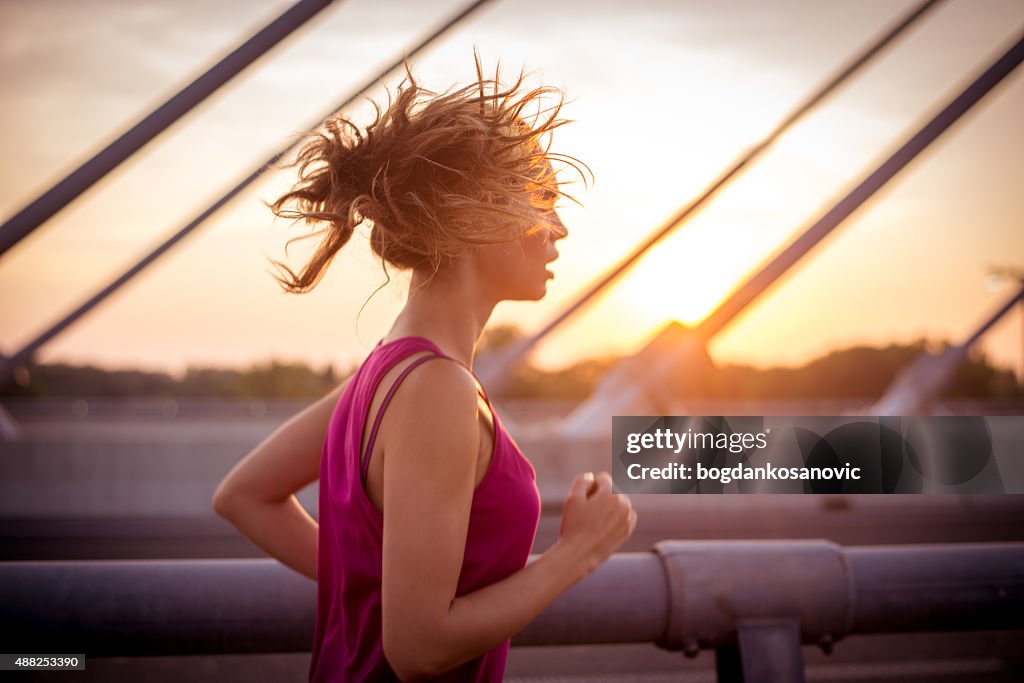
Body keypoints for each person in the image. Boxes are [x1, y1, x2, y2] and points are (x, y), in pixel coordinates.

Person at [212, 55, 637, 682]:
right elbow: (419, 649)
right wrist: (578, 552)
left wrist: (376, 583)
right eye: (540, 202)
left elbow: (244, 497)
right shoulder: (437, 389)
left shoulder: (385, 371)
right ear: (474, 218)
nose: (560, 229)